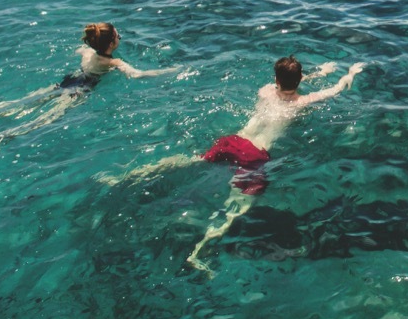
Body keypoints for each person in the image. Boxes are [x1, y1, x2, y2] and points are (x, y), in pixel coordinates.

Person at [101, 55, 366, 274]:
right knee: (235, 206)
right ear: (298, 81)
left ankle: (129, 176)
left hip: (233, 141)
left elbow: (287, 83)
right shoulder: (301, 102)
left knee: (188, 161)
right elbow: (336, 89)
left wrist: (317, 72)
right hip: (255, 155)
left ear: (275, 79)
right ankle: (199, 249)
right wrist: (348, 73)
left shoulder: (265, 91)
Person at [0, 22, 180, 154]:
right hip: (80, 90)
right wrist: (170, 71)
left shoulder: (86, 51)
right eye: (118, 36)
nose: (119, 38)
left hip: (66, 81)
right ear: (110, 44)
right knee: (45, 120)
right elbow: (137, 75)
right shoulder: (111, 62)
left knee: (22, 103)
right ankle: (5, 137)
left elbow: (78, 49)